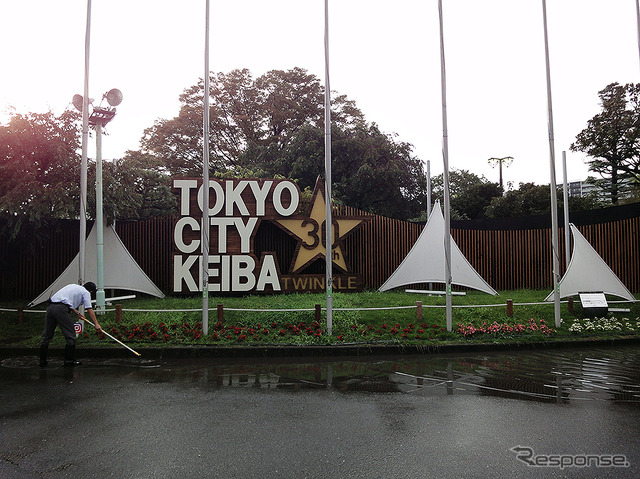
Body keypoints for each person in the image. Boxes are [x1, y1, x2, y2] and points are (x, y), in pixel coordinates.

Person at [39, 282, 102, 367]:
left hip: (50, 307)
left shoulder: (72, 286)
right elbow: (89, 309)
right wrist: (96, 324)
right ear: (91, 291)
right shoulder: (86, 292)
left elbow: (65, 300)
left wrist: (76, 312)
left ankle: (42, 361)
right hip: (61, 310)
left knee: (47, 335)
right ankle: (69, 361)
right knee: (71, 335)